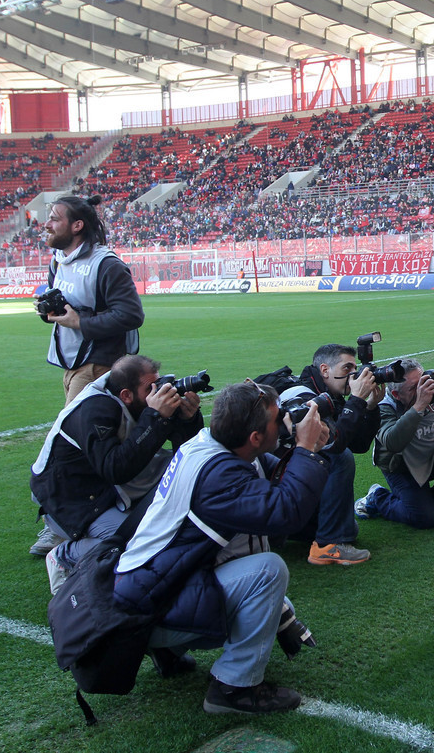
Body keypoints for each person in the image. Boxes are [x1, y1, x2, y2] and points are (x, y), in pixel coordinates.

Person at [113, 381, 331, 715]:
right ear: (255, 438)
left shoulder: (211, 445)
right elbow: (287, 511)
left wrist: (300, 447)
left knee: (257, 572)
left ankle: (168, 651)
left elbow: (273, 481)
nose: (286, 420)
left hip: (149, 588)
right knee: (268, 571)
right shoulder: (219, 477)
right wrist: (306, 451)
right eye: (278, 419)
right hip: (149, 607)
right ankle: (233, 688)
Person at [29, 355, 203, 589]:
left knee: (179, 505)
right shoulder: (94, 409)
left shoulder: (140, 401)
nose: (157, 392)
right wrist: (155, 418)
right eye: (149, 388)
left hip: (111, 488)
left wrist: (188, 419)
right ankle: (65, 555)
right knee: (134, 543)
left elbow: (185, 457)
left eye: (158, 383)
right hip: (73, 500)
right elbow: (115, 469)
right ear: (126, 395)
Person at [278, 344, 379, 566]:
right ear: (325, 370)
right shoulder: (301, 394)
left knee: (349, 527)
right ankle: (329, 545)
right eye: (347, 368)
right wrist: (356, 400)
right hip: (277, 488)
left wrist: (370, 407)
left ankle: (294, 530)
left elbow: (359, 444)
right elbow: (332, 445)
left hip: (292, 485)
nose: (354, 374)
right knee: (339, 457)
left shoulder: (331, 396)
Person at [40, 194, 144, 405]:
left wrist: (80, 323)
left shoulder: (107, 265)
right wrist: (49, 312)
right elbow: (69, 310)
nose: (47, 225)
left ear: (77, 225)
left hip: (98, 365)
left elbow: (131, 315)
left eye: (54, 219)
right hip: (72, 363)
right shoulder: (58, 262)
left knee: (72, 433)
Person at [357, 360, 434, 529]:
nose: (423, 389)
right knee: (425, 519)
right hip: (401, 467)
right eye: (413, 388)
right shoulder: (384, 407)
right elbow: (392, 443)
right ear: (396, 394)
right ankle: (377, 496)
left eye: (422, 382)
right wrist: (419, 406)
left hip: (433, 454)